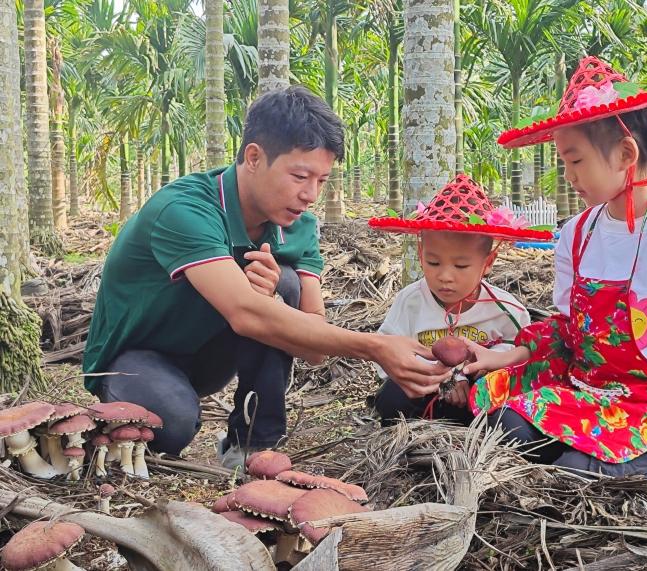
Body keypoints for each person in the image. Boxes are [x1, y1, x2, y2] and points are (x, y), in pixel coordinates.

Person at [82, 86, 452, 467]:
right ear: (254, 157)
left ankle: (252, 445)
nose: (310, 195)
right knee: (172, 422)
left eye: (322, 181)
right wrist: (376, 346)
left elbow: (314, 350)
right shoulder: (185, 209)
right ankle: (129, 411)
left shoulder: (299, 228)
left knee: (284, 281)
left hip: (208, 357)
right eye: (300, 176)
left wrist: (274, 298)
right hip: (134, 358)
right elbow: (246, 314)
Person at [465, 57, 647, 496]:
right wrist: (507, 356)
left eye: (576, 160)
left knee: (576, 473)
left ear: (625, 154)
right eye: (564, 162)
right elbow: (567, 328)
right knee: (502, 422)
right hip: (583, 395)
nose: (568, 175)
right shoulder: (577, 234)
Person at [368, 175, 548, 425]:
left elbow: (521, 355)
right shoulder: (411, 302)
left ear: (488, 263)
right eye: (433, 262)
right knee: (392, 396)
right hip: (426, 394)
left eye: (461, 266)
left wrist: (481, 367)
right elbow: (386, 354)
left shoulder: (506, 310)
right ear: (420, 254)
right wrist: (444, 377)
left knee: (508, 405)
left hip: (479, 400)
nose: (445, 276)